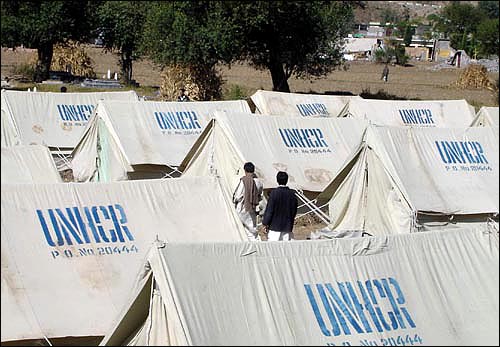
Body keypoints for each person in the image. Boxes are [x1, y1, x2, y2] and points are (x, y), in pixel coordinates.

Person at [262, 171, 298, 241]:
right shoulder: (292, 194)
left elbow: (270, 210)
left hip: (274, 227)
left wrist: (265, 223)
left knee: (273, 248)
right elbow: (294, 210)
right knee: (286, 249)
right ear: (287, 180)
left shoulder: (274, 193)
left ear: (277, 180)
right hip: (287, 226)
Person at [232, 162, 264, 241]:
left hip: (242, 208)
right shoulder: (259, 182)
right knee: (252, 231)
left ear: (245, 170)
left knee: (239, 229)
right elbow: (260, 194)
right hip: (252, 208)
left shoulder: (243, 181)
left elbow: (238, 196)